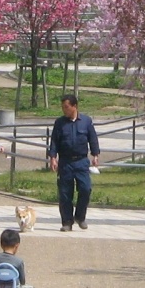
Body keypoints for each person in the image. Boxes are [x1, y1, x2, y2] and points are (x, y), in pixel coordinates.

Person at [47, 93, 100, 232]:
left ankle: (80, 217)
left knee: (85, 189)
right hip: (65, 162)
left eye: (66, 107)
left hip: (81, 161)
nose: (64, 110)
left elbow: (93, 138)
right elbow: (54, 142)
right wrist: (53, 157)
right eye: (63, 107)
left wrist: (95, 154)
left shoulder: (86, 121)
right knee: (65, 194)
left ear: (74, 106)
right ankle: (67, 222)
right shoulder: (59, 123)